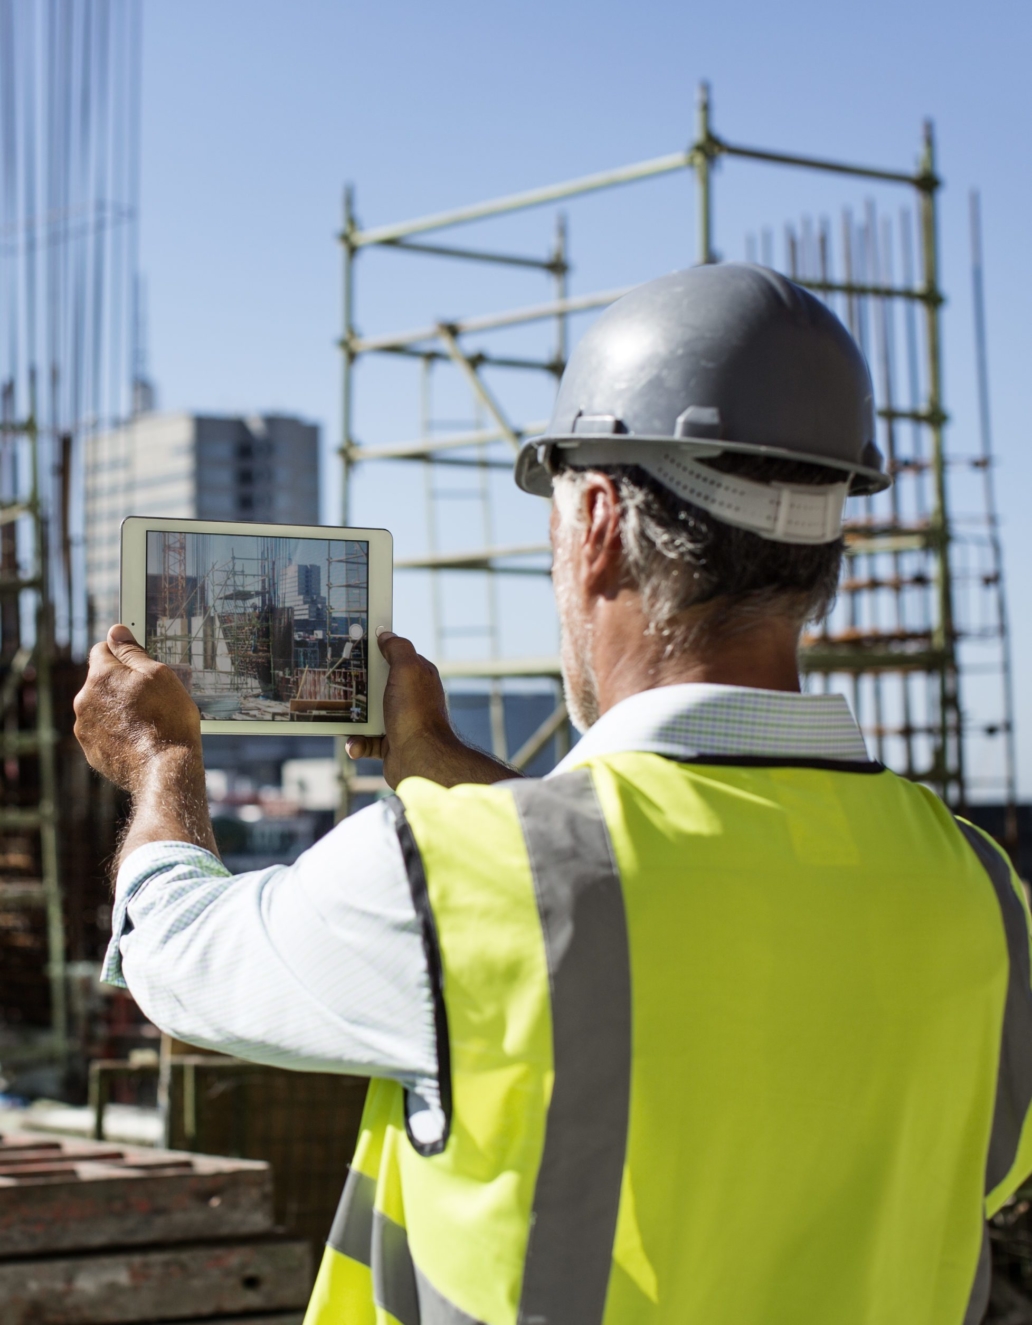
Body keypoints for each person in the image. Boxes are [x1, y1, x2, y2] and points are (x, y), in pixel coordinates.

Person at [74, 265, 1032, 1325]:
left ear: (599, 525)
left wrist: (160, 761)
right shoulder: (985, 900)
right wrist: (432, 752)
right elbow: (657, 893)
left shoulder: (453, 877)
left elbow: (178, 956)